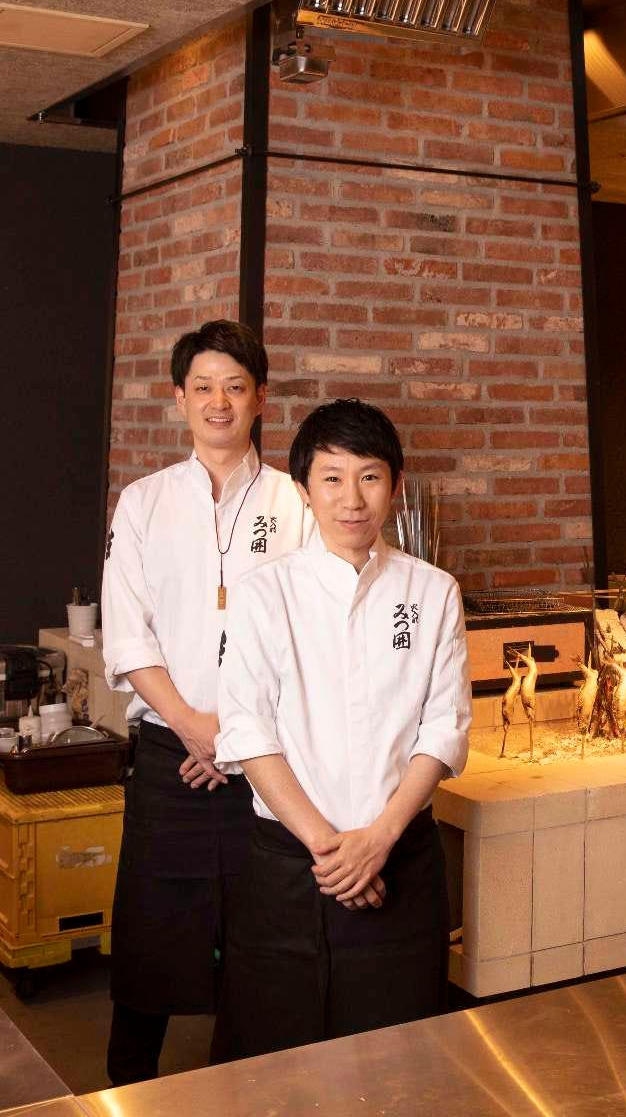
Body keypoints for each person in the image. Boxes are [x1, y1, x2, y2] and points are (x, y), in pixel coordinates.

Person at [212, 399, 469, 1061]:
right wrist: (334, 853)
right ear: (303, 489)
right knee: (276, 1062)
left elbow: (443, 729)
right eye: (331, 478)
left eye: (369, 477)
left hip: (399, 863)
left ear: (396, 485)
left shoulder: (432, 592)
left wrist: (377, 842)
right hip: (290, 869)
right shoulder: (263, 593)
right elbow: (247, 732)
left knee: (400, 1062)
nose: (351, 499)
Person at [101, 320, 310, 1085]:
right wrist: (194, 727)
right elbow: (127, 635)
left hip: (267, 763)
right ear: (180, 399)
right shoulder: (144, 502)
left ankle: (247, 1090)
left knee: (261, 942)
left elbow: (308, 635)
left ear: (260, 399)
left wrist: (236, 739)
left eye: (235, 387)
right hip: (171, 757)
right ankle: (124, 1091)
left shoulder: (297, 502)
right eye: (203, 387)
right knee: (151, 935)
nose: (219, 402)